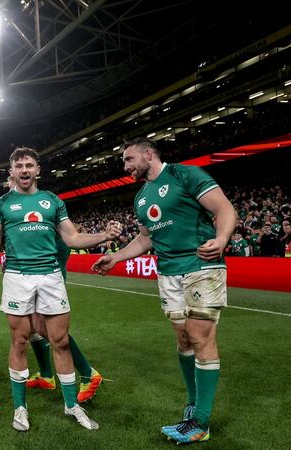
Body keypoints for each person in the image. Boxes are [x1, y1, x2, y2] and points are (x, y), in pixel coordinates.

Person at [93, 137, 236, 444]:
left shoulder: (186, 175)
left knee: (200, 335)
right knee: (184, 338)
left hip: (201, 264)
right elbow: (146, 239)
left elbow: (224, 209)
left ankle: (201, 421)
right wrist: (116, 256)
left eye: (129, 160)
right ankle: (193, 405)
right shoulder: (141, 197)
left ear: (149, 154)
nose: (126, 166)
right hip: (168, 272)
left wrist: (222, 239)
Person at [0, 147, 119, 432]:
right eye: (19, 166)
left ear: (38, 170)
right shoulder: (1, 204)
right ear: (10, 172)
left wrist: (103, 235)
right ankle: (20, 408)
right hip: (17, 277)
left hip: (50, 276)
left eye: (29, 165)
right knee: (20, 341)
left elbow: (72, 238)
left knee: (59, 341)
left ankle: (72, 405)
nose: (24, 170)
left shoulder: (52, 201)